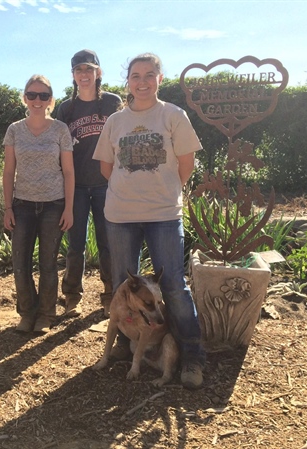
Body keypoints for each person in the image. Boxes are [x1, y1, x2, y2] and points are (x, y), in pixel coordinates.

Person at [92, 53, 206, 389]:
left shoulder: (173, 115)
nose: (142, 82)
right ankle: (130, 348)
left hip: (163, 215)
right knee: (123, 288)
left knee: (172, 286)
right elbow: (106, 167)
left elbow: (186, 165)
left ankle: (192, 355)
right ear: (127, 81)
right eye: (135, 75)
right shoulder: (116, 121)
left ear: (159, 78)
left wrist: (163, 191)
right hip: (121, 215)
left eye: (149, 75)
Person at [2, 75, 75, 334]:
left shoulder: (60, 130)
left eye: (43, 95)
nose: (37, 100)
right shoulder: (14, 130)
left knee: (47, 264)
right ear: (25, 98)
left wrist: (69, 208)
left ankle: (45, 315)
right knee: (20, 263)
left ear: (50, 100)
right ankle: (27, 312)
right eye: (32, 94)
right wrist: (8, 207)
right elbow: (9, 171)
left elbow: (68, 172)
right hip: (22, 205)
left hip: (54, 204)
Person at [57, 49, 122, 318]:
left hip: (107, 185)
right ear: (73, 75)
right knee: (76, 245)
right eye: (79, 70)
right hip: (77, 186)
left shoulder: (112, 102)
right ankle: (72, 296)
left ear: (98, 72)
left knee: (108, 243)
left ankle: (109, 295)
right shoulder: (65, 108)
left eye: (89, 69)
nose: (84, 75)